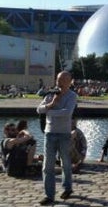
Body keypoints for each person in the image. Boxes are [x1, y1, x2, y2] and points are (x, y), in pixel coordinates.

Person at [36, 71, 77, 205]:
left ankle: (67, 188)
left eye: (63, 80)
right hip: (49, 133)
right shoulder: (50, 94)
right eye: (58, 79)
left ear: (69, 82)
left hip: (64, 134)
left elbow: (67, 113)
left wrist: (50, 112)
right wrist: (51, 104)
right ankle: (49, 195)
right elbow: (39, 109)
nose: (59, 82)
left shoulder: (72, 96)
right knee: (47, 166)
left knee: (65, 163)